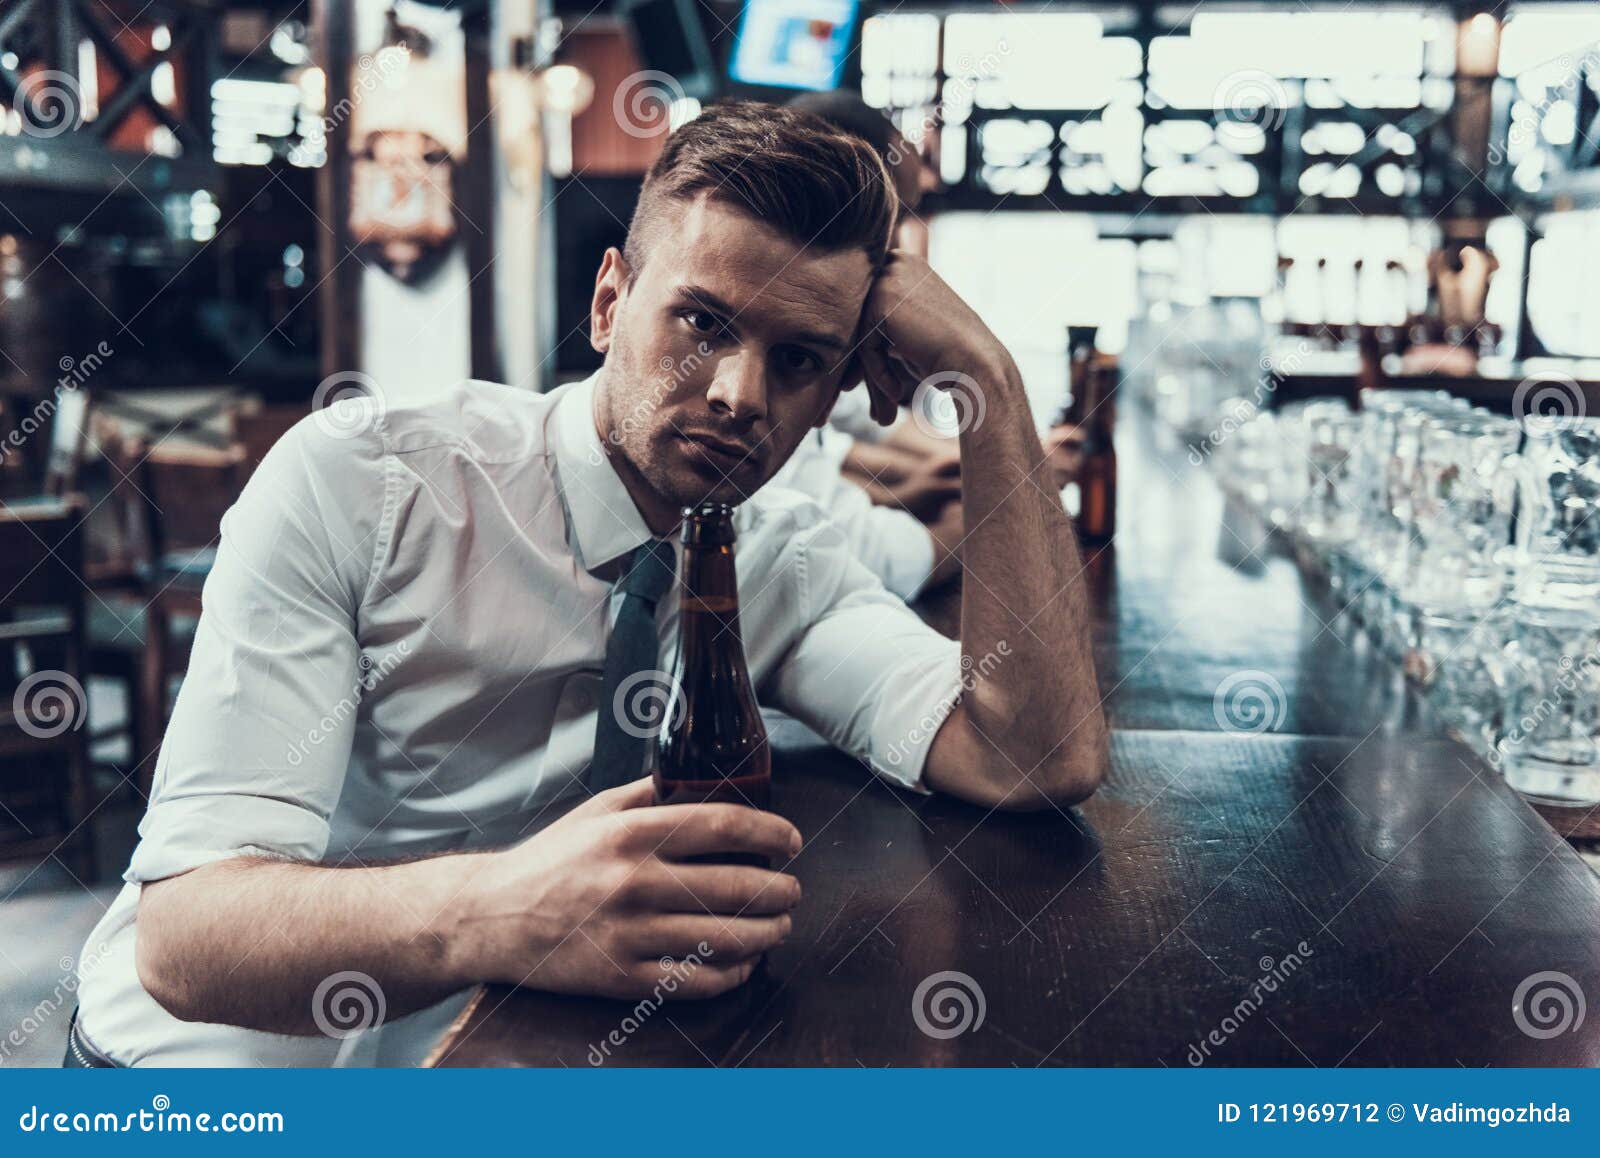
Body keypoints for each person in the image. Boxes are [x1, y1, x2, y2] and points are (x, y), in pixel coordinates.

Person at [71, 101, 1107, 1066]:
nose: (741, 396)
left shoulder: (774, 555)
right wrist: (512, 905)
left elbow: (1034, 757)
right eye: (703, 323)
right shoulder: (365, 484)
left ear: (840, 385)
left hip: (489, 1056)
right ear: (610, 302)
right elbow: (186, 939)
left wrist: (990, 382)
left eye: (798, 359)